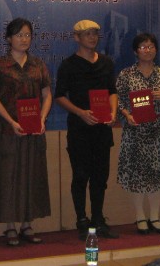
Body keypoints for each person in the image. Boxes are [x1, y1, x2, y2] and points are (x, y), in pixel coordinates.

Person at [0, 18, 52, 246]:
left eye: (27, 35)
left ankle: (27, 224)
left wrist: (42, 119)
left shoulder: (38, 64)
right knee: (9, 177)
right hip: (9, 130)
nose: (24, 39)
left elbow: (47, 95)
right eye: (19, 35)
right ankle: (10, 226)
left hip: (34, 129)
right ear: (8, 38)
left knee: (31, 175)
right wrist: (11, 121)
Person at [55, 19, 119, 239]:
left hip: (102, 129)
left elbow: (112, 91)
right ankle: (82, 220)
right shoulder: (68, 65)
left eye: (95, 33)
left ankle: (98, 219)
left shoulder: (106, 63)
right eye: (87, 34)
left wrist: (113, 112)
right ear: (77, 37)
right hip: (79, 129)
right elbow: (59, 96)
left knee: (100, 177)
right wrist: (80, 112)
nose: (92, 37)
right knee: (81, 176)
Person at [115, 33, 160, 235]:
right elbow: (118, 101)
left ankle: (155, 217)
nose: (147, 50)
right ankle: (140, 216)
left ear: (156, 50)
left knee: (157, 173)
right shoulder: (126, 74)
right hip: (135, 130)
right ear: (135, 51)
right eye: (143, 47)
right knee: (137, 173)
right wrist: (127, 115)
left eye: (151, 46)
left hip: (157, 130)